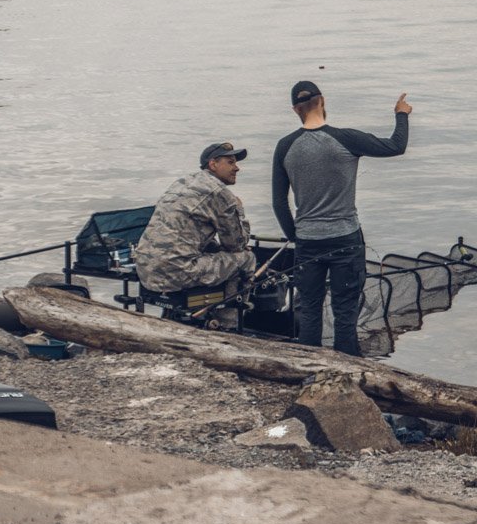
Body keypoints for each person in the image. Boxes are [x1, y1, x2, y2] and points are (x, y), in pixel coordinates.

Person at [271, 82, 412, 355]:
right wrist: (401, 114)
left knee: (310, 310)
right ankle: (346, 378)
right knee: (345, 313)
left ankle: (309, 372)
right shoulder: (345, 138)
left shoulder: (285, 146)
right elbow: (396, 146)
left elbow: (279, 202)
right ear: (322, 101)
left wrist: (296, 237)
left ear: (295, 110)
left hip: (308, 242)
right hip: (345, 240)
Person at [134, 142, 257, 293]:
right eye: (230, 162)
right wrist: (239, 208)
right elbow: (236, 245)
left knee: (218, 254)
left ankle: (203, 311)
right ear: (213, 164)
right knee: (246, 258)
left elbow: (191, 232)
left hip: (146, 270)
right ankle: (230, 314)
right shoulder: (219, 192)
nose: (237, 168)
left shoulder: (182, 183)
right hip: (175, 274)